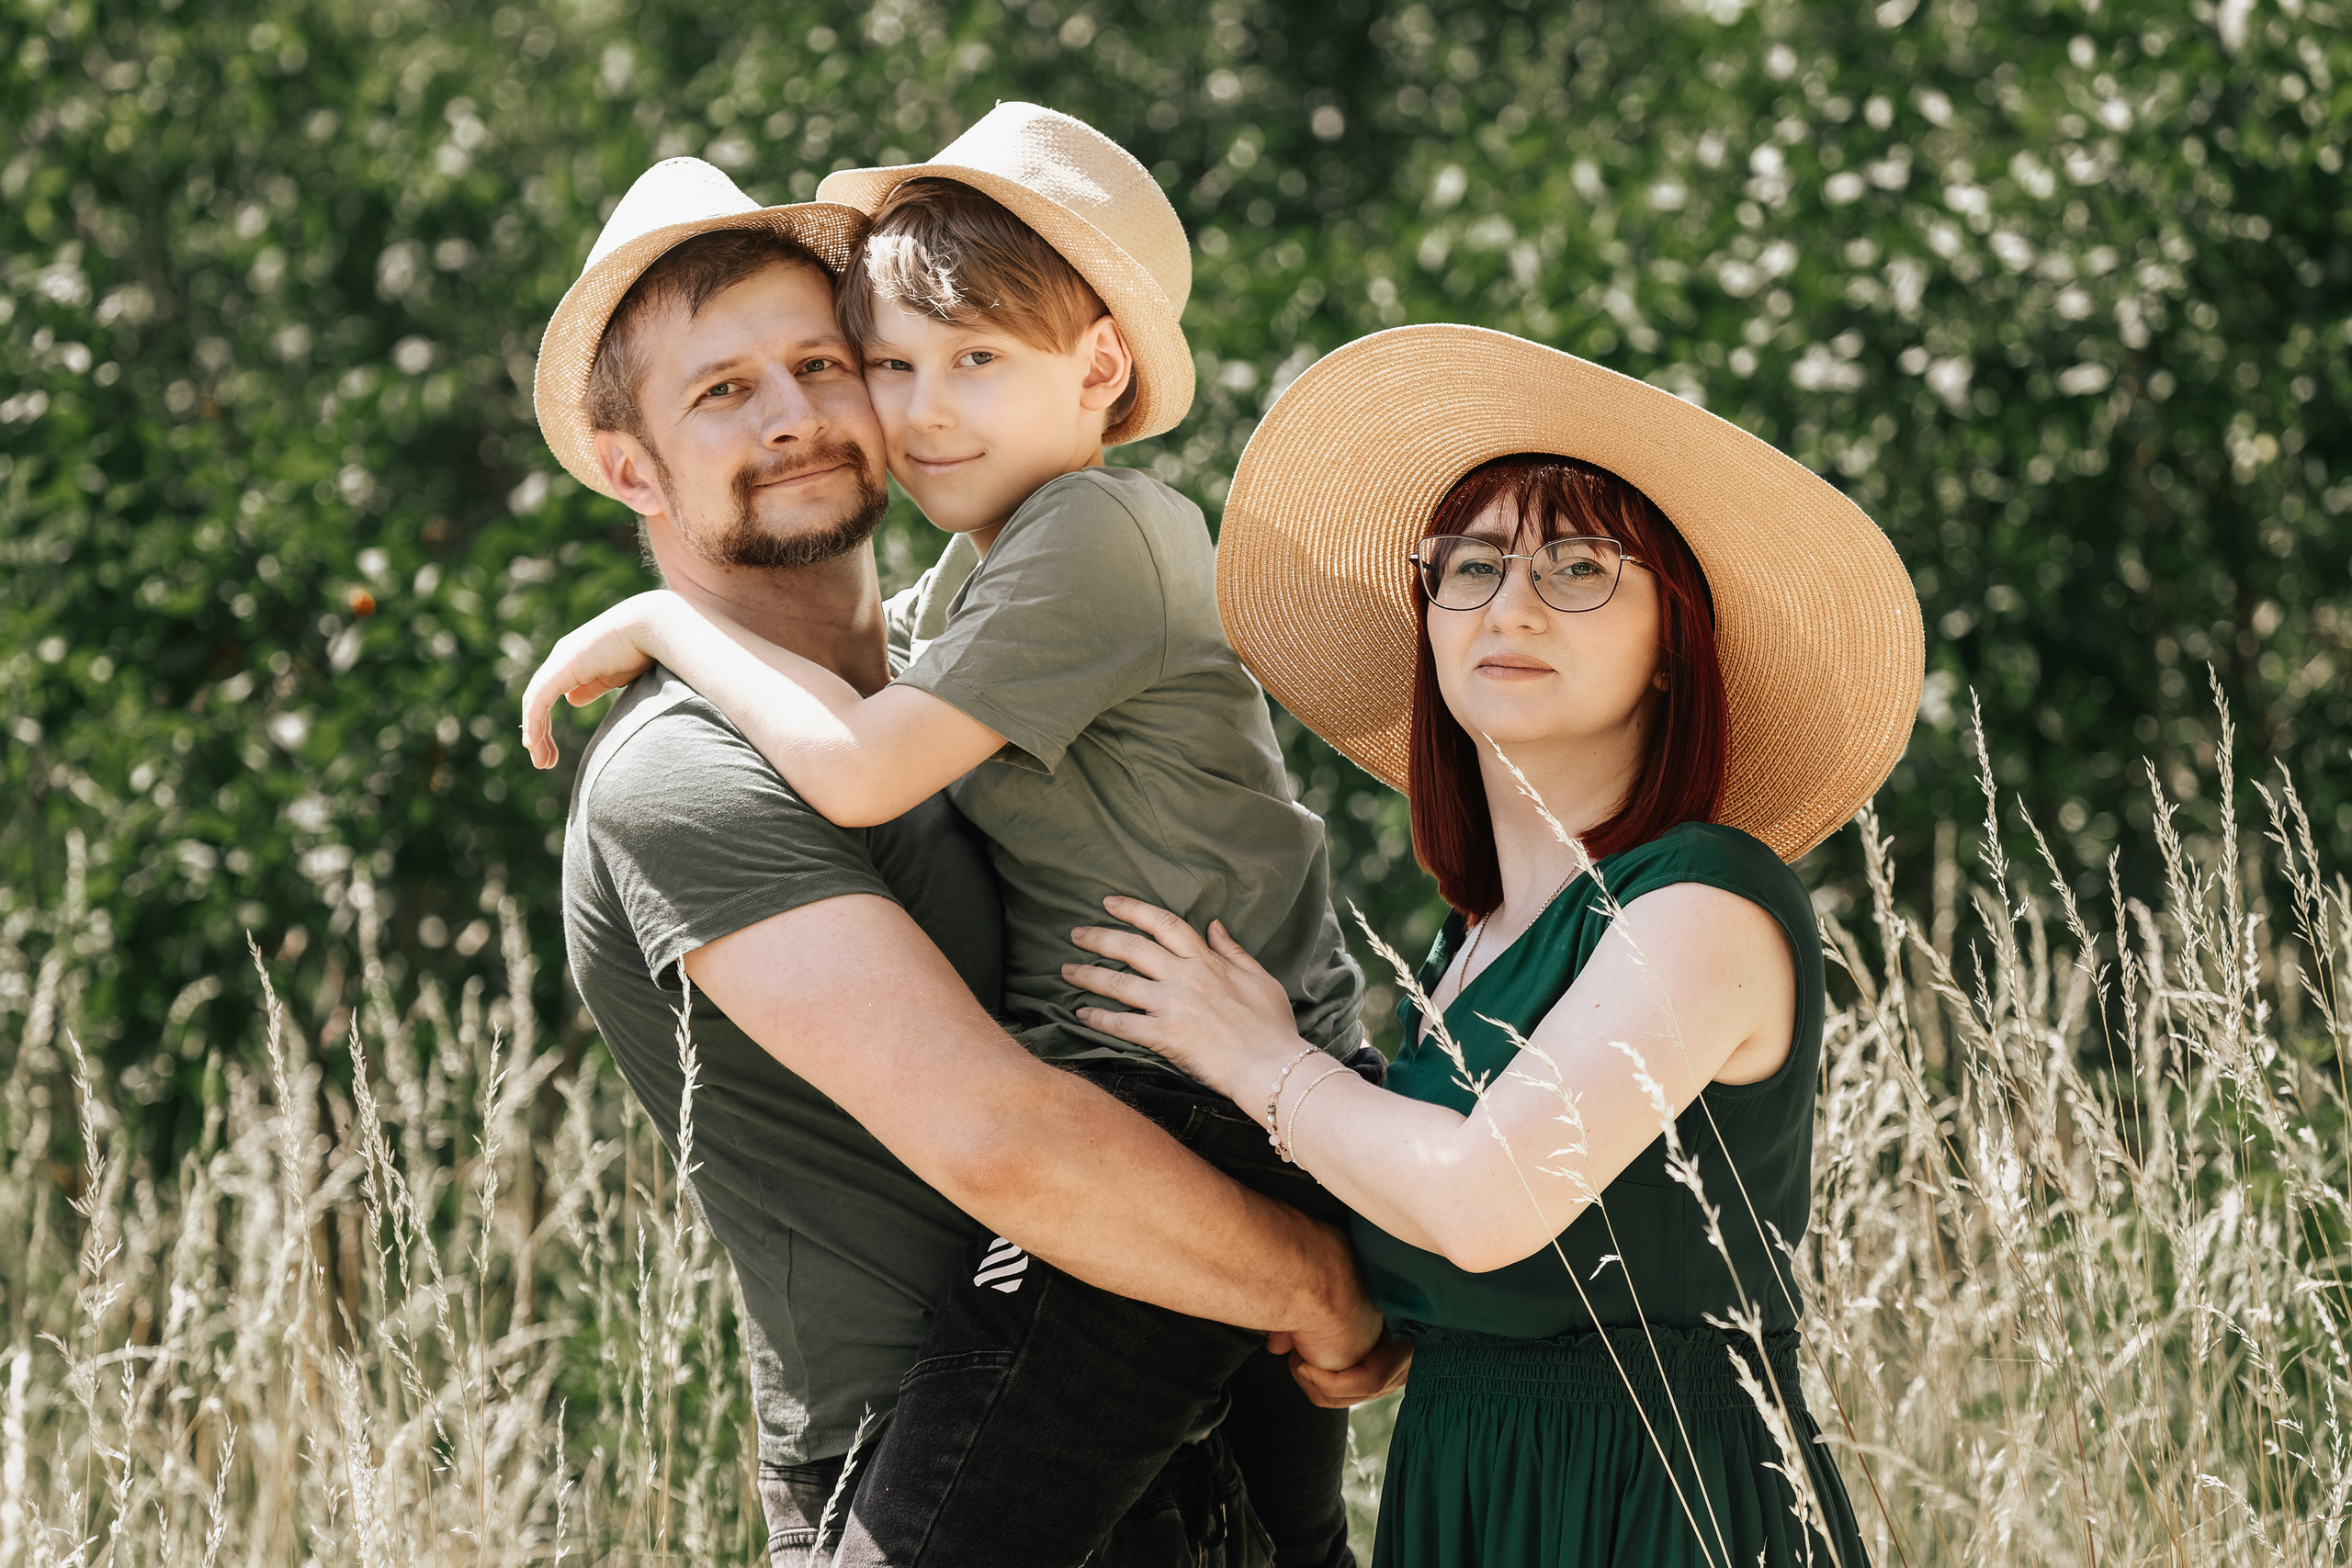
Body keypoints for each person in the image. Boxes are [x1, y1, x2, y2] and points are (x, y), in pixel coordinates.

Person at [526, 103, 1375, 1568]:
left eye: (824, 363)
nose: (800, 413)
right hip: (928, 1454)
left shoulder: (953, 661)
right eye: (723, 390)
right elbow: (1008, 1143)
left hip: (1182, 1410)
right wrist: (1328, 1290)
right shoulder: (684, 772)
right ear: (630, 470)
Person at [1059, 324, 1924, 1567]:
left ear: (1674, 645)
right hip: (1466, 1492)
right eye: (1469, 566)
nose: (1509, 605)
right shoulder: (1467, 951)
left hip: (1656, 1503)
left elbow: (1482, 1199)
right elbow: (1472, 1249)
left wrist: (1256, 1058)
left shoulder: (1706, 901)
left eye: (1578, 568)